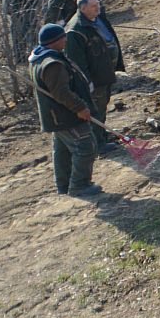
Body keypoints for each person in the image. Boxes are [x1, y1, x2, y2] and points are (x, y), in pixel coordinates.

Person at [30, 23, 100, 197]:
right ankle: (79, 186)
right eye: (63, 37)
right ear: (55, 41)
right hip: (65, 115)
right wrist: (80, 107)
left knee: (62, 151)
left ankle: (64, 185)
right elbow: (61, 92)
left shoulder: (40, 58)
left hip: (55, 117)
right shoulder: (52, 64)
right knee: (85, 146)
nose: (65, 40)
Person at [64, 0, 124, 152]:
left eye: (98, 4)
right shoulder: (75, 31)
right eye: (93, 6)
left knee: (102, 106)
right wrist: (87, 83)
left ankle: (102, 136)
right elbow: (77, 63)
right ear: (83, 8)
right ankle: (98, 144)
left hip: (105, 74)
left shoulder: (97, 18)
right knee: (95, 110)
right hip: (94, 79)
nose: (97, 7)